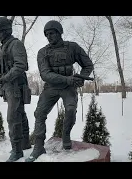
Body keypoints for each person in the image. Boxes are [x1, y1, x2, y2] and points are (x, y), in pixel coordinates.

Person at [25, 20, 94, 162]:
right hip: (51, 87)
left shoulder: (72, 47)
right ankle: (38, 146)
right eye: (47, 34)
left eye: (52, 33)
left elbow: (87, 65)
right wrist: (68, 80)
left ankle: (66, 135)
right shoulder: (42, 52)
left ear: (59, 32)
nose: (49, 36)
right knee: (39, 113)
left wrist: (81, 77)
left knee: (70, 109)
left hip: (69, 88)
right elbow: (45, 74)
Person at [0, 17, 32, 162]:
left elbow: (21, 66)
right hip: (9, 86)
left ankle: (17, 151)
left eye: (0, 32)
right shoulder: (4, 46)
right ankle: (24, 144)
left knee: (13, 117)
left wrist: (5, 78)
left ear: (6, 30)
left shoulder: (15, 44)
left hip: (16, 86)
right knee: (19, 114)